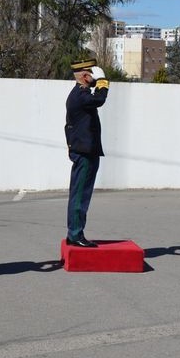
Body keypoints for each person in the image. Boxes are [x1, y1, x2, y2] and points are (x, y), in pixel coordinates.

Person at [64, 58, 110, 248]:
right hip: (84, 153)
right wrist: (103, 82)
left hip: (85, 150)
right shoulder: (80, 96)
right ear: (85, 76)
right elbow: (99, 100)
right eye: (92, 73)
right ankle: (75, 234)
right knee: (80, 194)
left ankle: (74, 232)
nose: (94, 76)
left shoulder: (80, 94)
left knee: (81, 193)